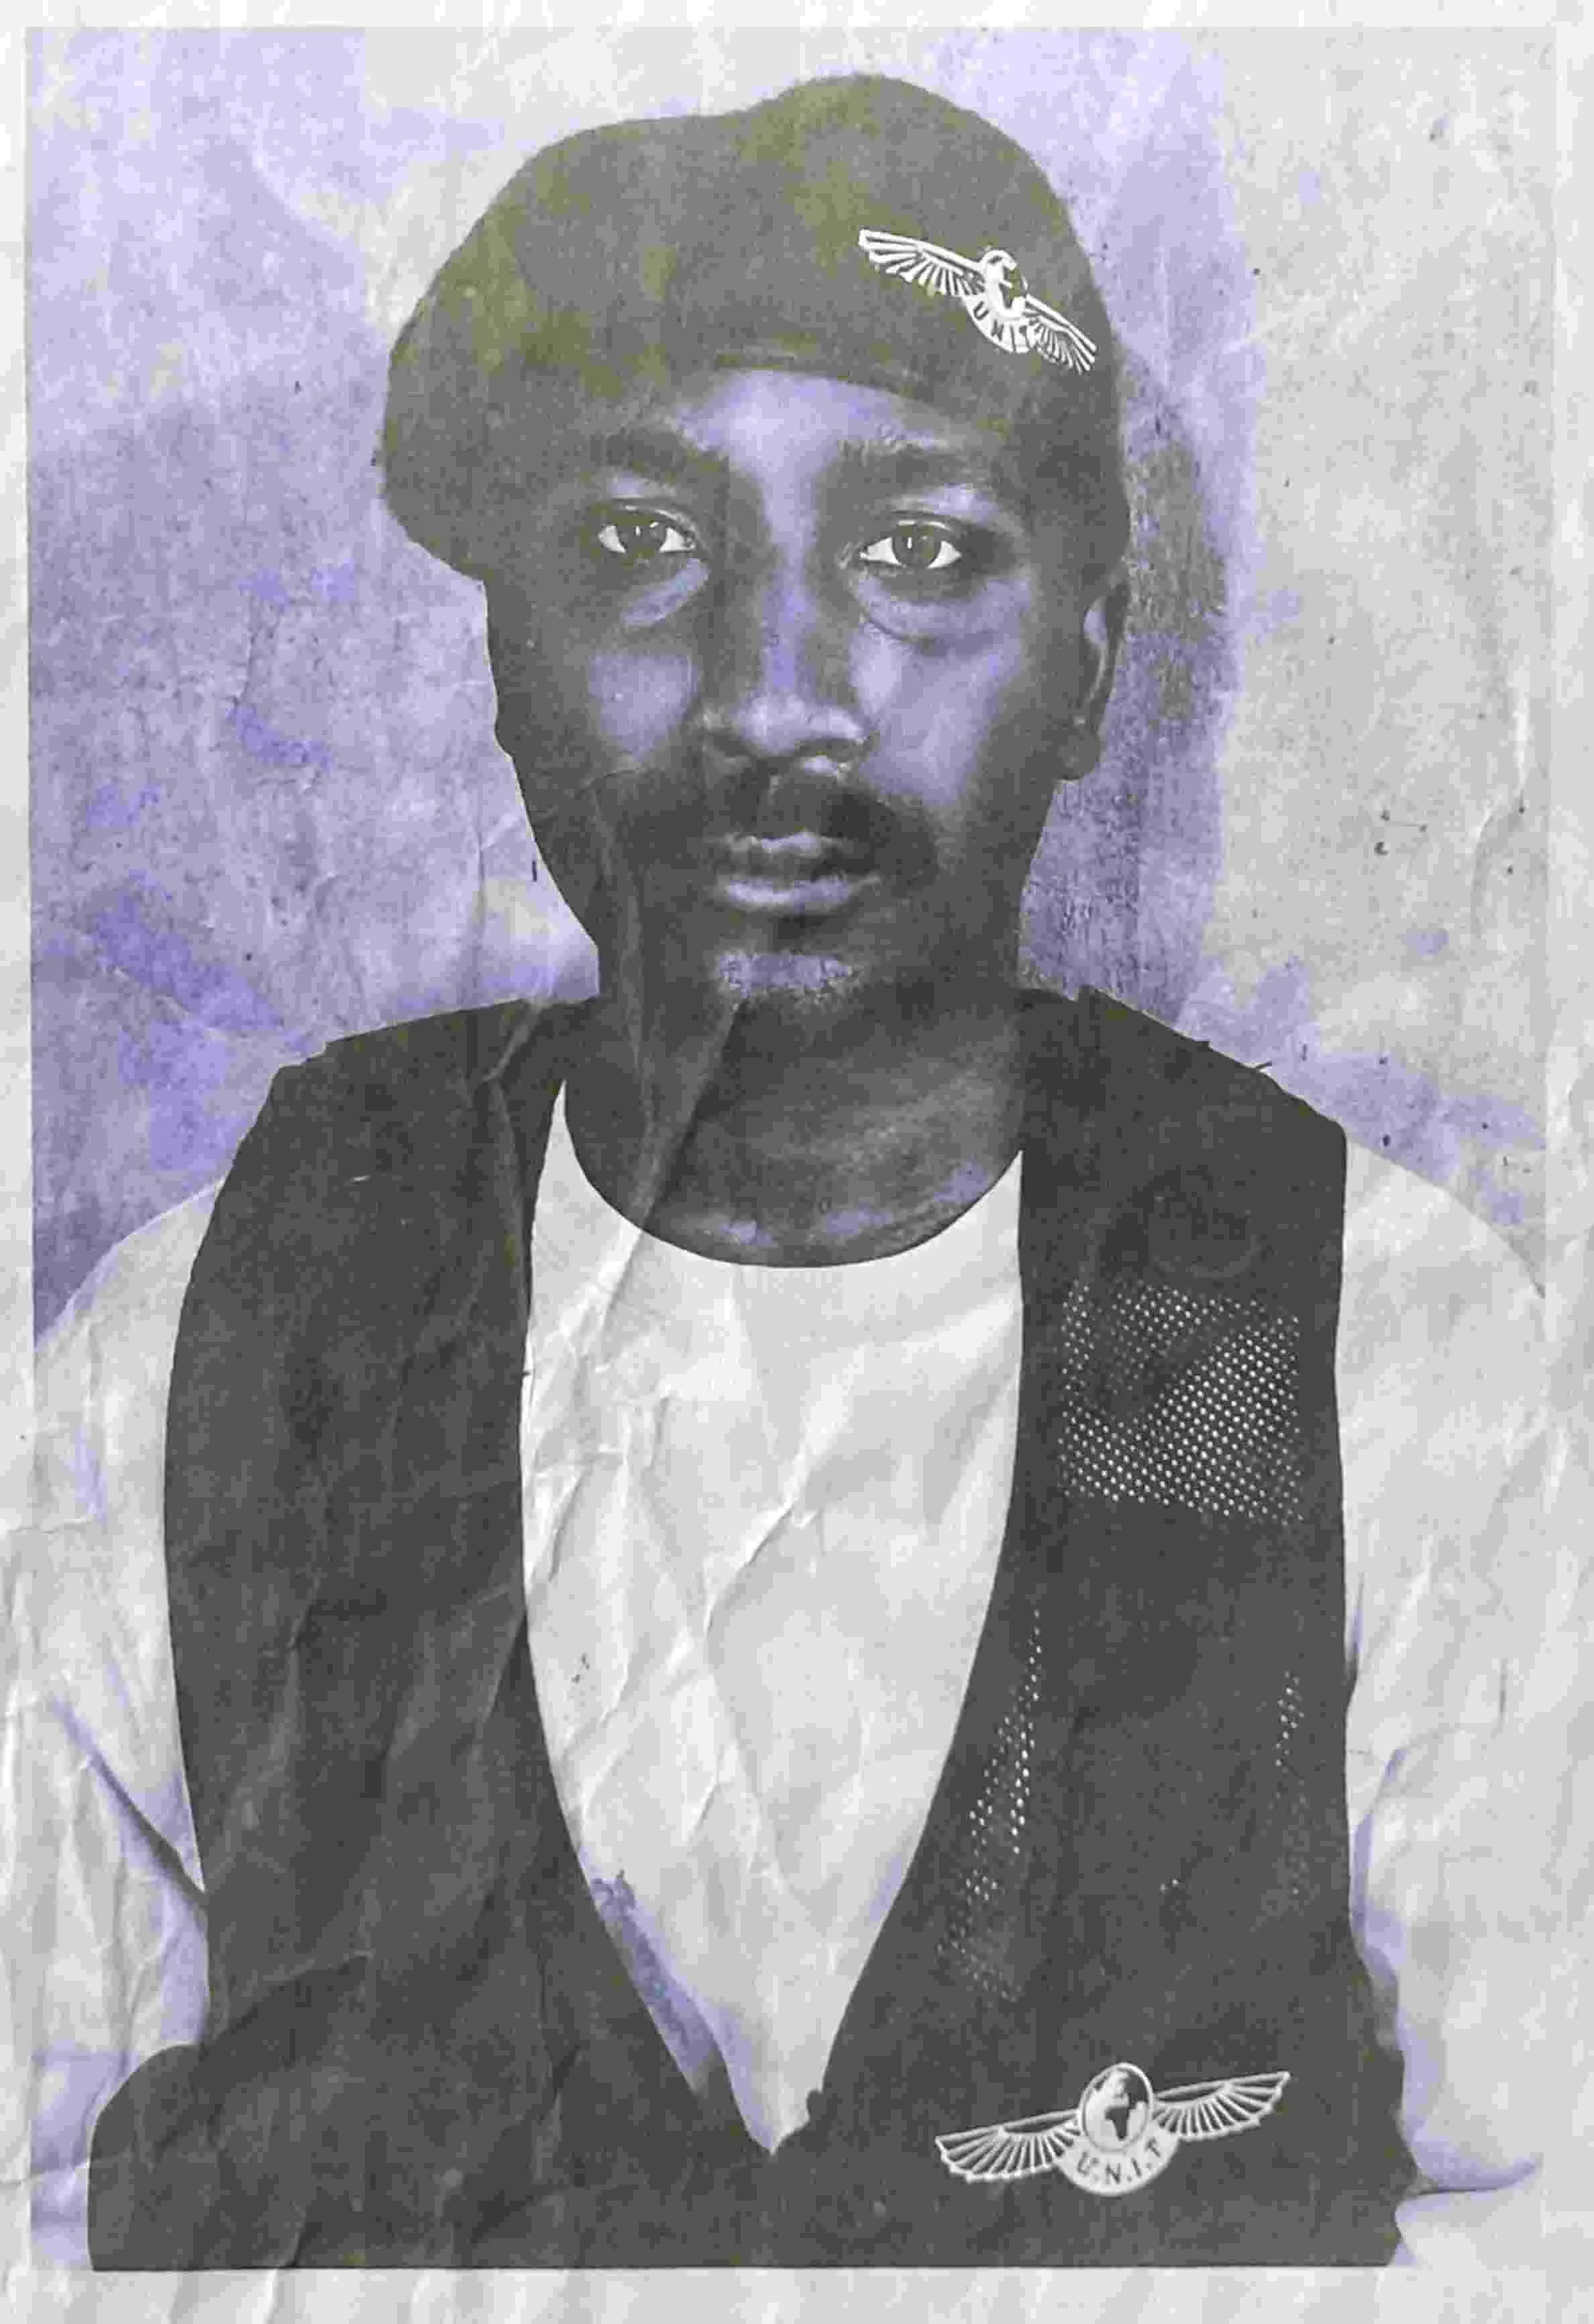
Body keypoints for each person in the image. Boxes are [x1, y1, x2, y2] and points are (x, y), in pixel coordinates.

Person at [30, 73, 1548, 2270]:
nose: (772, 703)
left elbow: (1558, 2226)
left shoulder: (1378, 1344)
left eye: (919, 554)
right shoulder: (213, 1342)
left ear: (1092, 661)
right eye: (639, 548)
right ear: (504, 660)